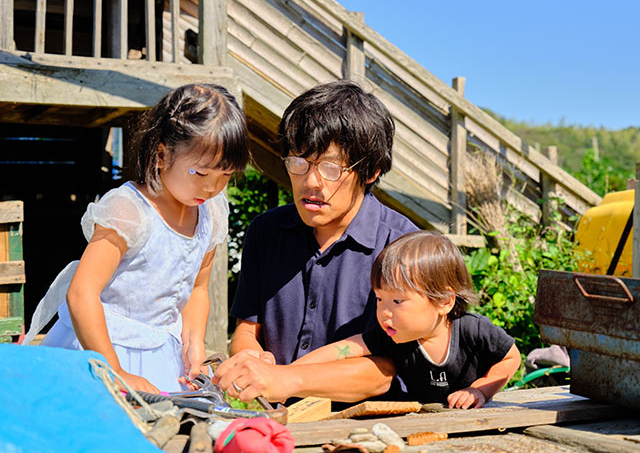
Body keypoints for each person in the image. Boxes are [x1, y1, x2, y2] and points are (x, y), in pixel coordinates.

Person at [24, 83, 249, 394]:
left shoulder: (212, 213)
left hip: (161, 354)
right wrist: (115, 371)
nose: (211, 188)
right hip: (100, 349)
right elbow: (82, 293)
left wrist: (193, 338)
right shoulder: (130, 211)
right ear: (161, 155)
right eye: (200, 173)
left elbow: (198, 287)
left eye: (225, 176)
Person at [213, 80, 418, 404]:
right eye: (299, 162)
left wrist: (285, 378)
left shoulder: (403, 247)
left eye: (331, 168)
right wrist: (252, 361)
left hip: (363, 427)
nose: (311, 182)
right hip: (277, 419)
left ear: (371, 171)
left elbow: (385, 370)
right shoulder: (265, 231)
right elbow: (247, 330)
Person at [293, 230, 522, 409]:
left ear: (444, 301)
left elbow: (511, 357)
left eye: (397, 302)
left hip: (477, 420)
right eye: (380, 299)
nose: (384, 312)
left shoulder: (473, 329)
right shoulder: (393, 335)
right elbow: (344, 349)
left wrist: (480, 390)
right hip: (420, 423)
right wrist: (288, 374)